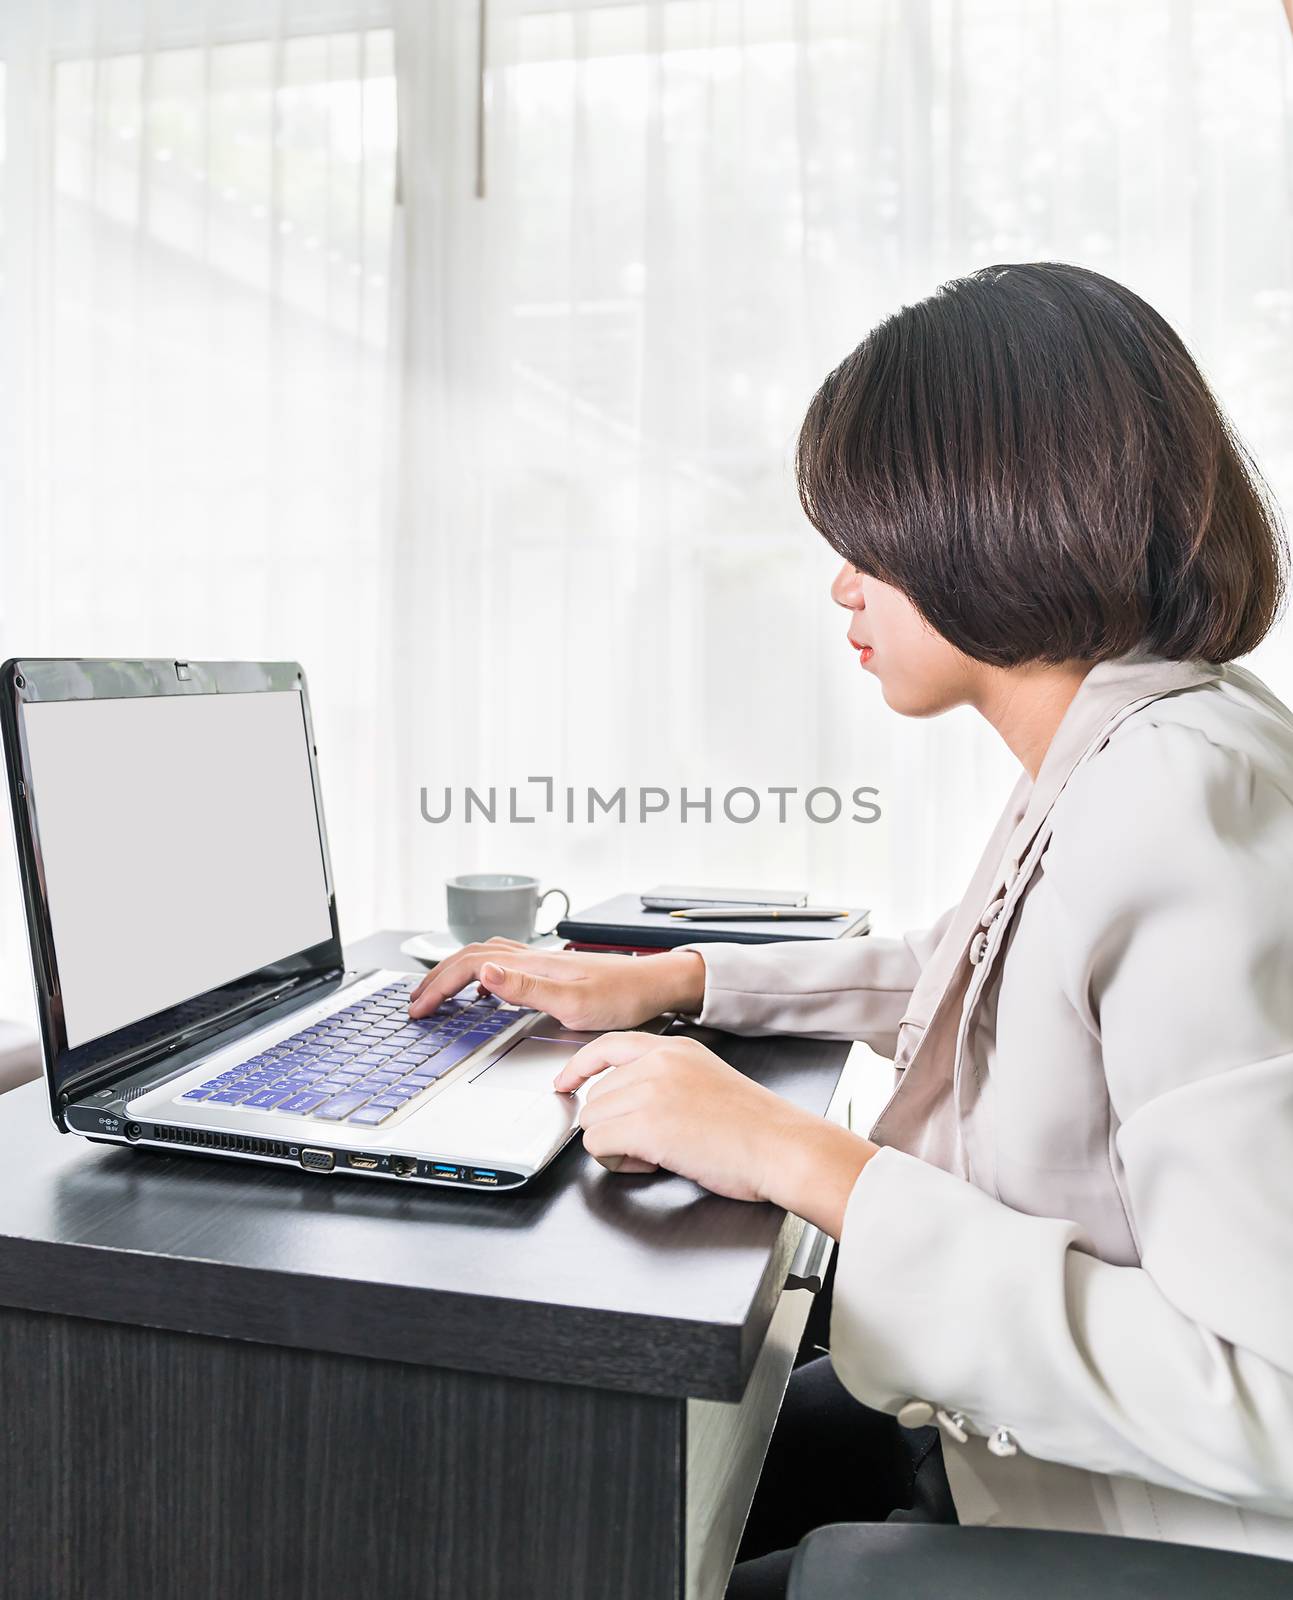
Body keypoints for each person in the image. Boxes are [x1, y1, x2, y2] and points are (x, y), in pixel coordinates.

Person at [409, 263, 1293, 1589]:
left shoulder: (1167, 799)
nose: (841, 586)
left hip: (1159, 1527)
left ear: (984, 520)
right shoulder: (1136, 737)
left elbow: (1266, 1403)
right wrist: (673, 982)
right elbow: (966, 972)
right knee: (699, 1447)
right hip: (1038, 1451)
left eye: (867, 539)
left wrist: (797, 1156)